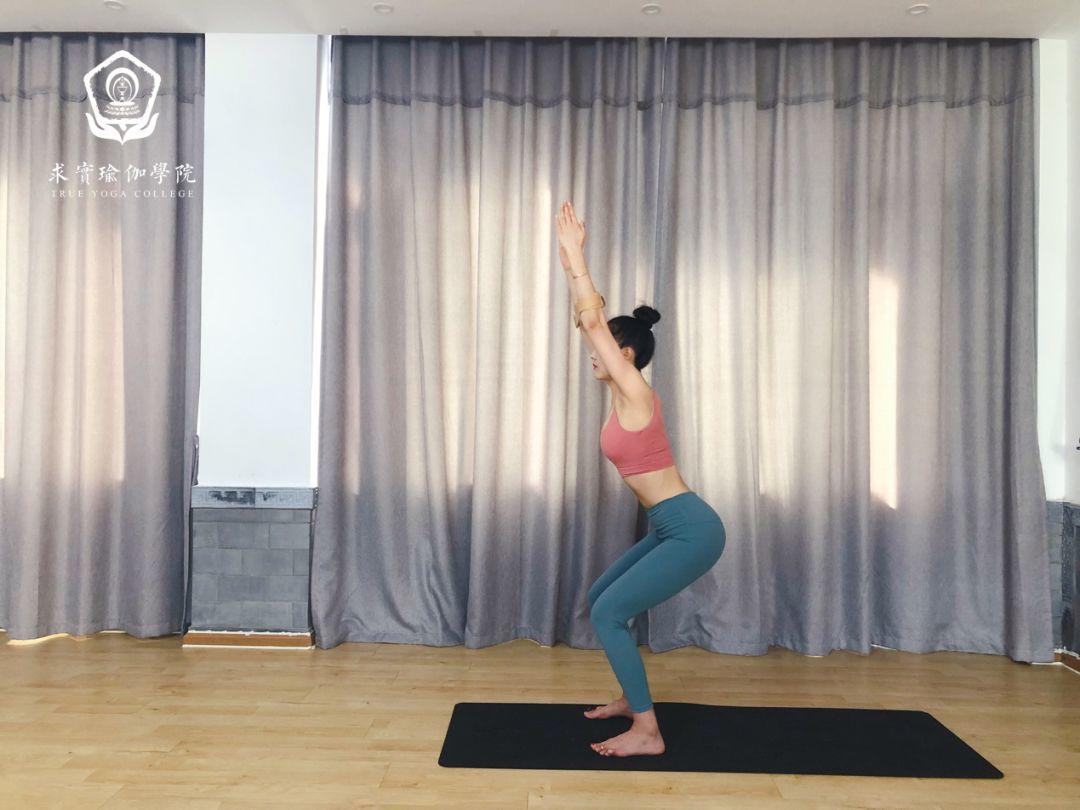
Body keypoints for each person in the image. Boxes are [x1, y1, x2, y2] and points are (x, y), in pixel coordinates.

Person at [554, 200, 727, 758]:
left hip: (692, 530)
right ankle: (633, 699)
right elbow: (587, 323)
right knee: (600, 598)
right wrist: (569, 268)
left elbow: (592, 323)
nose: (592, 354)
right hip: (668, 526)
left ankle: (648, 732)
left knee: (608, 613)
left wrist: (577, 256)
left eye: (602, 348)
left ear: (624, 353)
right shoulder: (619, 398)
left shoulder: (636, 390)